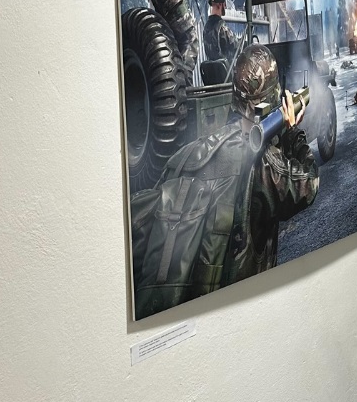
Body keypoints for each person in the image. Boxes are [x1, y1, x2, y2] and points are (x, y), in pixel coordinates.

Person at [129, 44, 318, 317]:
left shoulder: (194, 152)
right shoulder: (265, 168)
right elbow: (309, 182)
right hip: (246, 309)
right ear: (271, 98)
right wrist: (292, 132)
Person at [203, 0, 238, 68]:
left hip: (212, 75)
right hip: (226, 74)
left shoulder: (206, 27)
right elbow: (236, 46)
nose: (225, 6)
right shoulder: (222, 28)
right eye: (224, 3)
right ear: (220, 3)